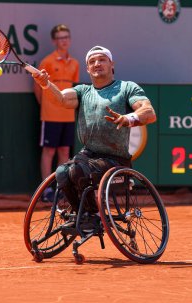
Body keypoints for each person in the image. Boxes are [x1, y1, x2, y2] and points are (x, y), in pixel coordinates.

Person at [32, 45, 156, 213]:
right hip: (88, 154)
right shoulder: (83, 91)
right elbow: (61, 98)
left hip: (116, 158)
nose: (97, 63)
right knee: (62, 172)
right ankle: (82, 214)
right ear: (88, 69)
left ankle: (93, 214)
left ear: (112, 64)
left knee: (77, 171)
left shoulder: (126, 87)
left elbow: (149, 112)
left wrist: (128, 118)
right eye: (92, 61)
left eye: (102, 60)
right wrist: (46, 84)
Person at [34, 24, 79, 202]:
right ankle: (46, 190)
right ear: (54, 41)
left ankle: (62, 188)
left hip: (67, 114)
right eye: (60, 38)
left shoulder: (75, 63)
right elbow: (38, 89)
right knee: (49, 151)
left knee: (64, 151)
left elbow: (73, 89)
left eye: (66, 37)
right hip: (50, 115)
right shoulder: (47, 62)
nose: (64, 41)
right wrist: (47, 106)